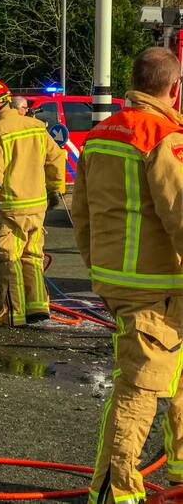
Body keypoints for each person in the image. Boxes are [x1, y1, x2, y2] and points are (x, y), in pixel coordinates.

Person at [74, 49, 183, 504]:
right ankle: (114, 492)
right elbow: (179, 211)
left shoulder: (99, 136)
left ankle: (178, 470)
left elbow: (80, 214)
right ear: (174, 89)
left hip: (120, 279)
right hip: (157, 286)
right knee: (140, 389)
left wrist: (100, 268)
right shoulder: (164, 136)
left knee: (175, 376)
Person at [0, 79, 65, 327]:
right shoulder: (37, 126)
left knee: (9, 261)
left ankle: (12, 314)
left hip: (10, 208)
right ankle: (39, 307)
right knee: (33, 256)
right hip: (37, 207)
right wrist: (55, 189)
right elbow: (56, 157)